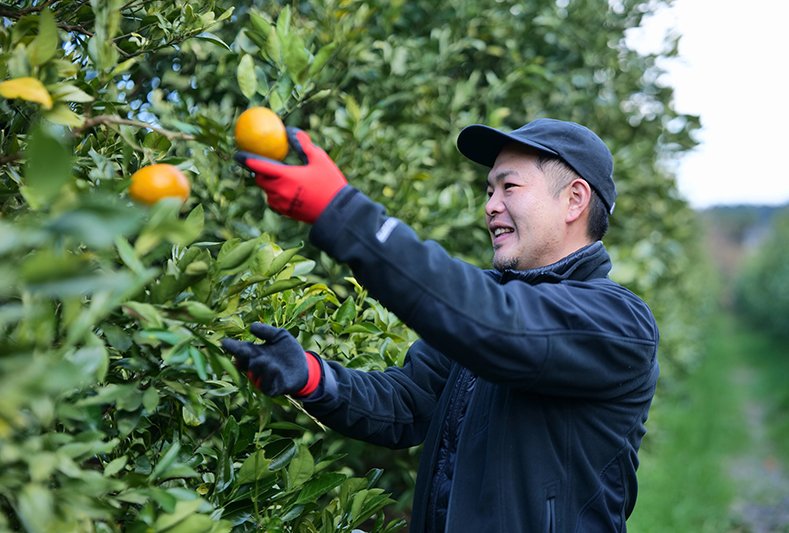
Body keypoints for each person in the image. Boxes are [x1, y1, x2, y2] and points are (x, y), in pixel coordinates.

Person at [222, 118, 660, 533]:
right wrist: (313, 378)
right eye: (489, 190)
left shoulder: (617, 323)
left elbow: (498, 326)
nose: (490, 207)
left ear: (574, 200)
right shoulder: (489, 305)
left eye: (509, 187)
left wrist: (344, 214)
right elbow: (408, 404)